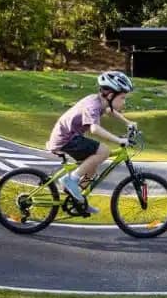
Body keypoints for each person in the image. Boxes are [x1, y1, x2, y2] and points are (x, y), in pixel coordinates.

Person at [46, 71, 137, 215]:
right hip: (66, 139)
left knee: (92, 167)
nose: (124, 102)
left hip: (70, 138)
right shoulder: (92, 105)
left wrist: (128, 122)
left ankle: (78, 201)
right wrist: (119, 140)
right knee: (104, 151)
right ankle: (70, 180)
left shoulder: (100, 101)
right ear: (110, 94)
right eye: (123, 97)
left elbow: (110, 111)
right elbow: (94, 129)